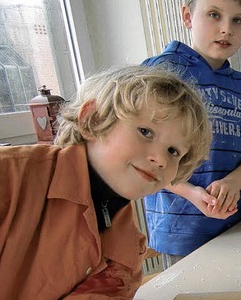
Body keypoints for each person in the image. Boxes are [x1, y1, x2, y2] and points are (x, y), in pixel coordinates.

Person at [0, 65, 211, 299]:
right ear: (93, 119)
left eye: (173, 151)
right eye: (145, 132)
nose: (160, 159)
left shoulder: (127, 251)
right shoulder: (10, 176)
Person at [142, 0, 241, 267]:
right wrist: (190, 192)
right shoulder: (161, 71)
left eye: (237, 20)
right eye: (214, 15)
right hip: (183, 230)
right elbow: (142, 153)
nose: (226, 28)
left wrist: (234, 183)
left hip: (237, 223)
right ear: (188, 16)